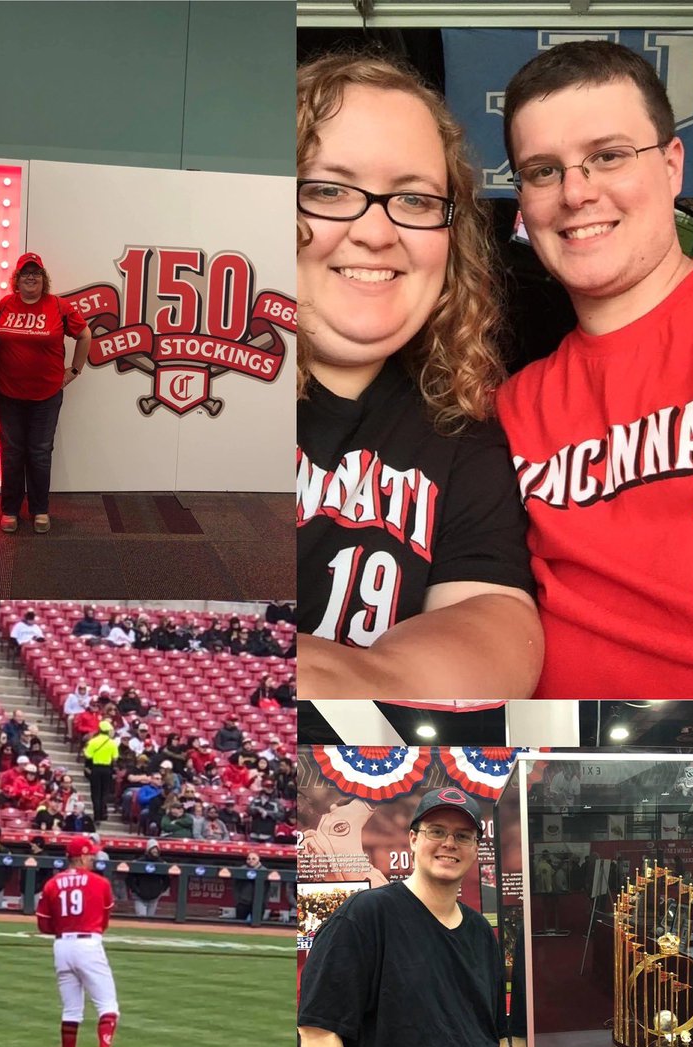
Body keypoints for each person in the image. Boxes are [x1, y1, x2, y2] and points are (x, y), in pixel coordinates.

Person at [496, 40, 693, 698]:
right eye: (544, 171)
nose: (576, 192)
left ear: (672, 165)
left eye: (607, 156)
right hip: (568, 767)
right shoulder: (515, 409)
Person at [295, 53, 542, 700]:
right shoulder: (212, 400)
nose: (377, 231)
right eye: (328, 189)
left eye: (413, 198)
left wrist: (352, 677)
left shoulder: (460, 428)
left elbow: (495, 620)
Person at [298, 788, 509, 1047]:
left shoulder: (480, 932)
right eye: (437, 830)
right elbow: (320, 1034)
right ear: (413, 839)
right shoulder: (364, 917)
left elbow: (493, 1035)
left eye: (463, 836)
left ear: (475, 848)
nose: (449, 844)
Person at [0, 252, 93, 533]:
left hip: (46, 397)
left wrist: (74, 371)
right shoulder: (5, 304)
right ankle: (10, 510)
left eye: (36, 272)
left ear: (43, 278)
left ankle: (39, 510)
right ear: (16, 278)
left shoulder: (58, 306)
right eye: (25, 272)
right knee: (12, 454)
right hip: (7, 393)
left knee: (39, 453)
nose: (31, 276)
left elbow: (85, 335)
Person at [35, 836, 119, 1047]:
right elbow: (104, 921)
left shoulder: (52, 883)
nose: (94, 858)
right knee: (108, 1007)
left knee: (71, 1011)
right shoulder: (100, 883)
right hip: (89, 944)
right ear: (82, 856)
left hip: (62, 946)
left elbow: (43, 924)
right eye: (91, 854)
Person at [82, 720, 117, 824]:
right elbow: (115, 758)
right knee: (104, 792)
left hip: (96, 768)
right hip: (107, 769)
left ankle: (97, 816)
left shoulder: (93, 741)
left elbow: (88, 755)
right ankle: (103, 813)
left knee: (95, 793)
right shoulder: (112, 743)